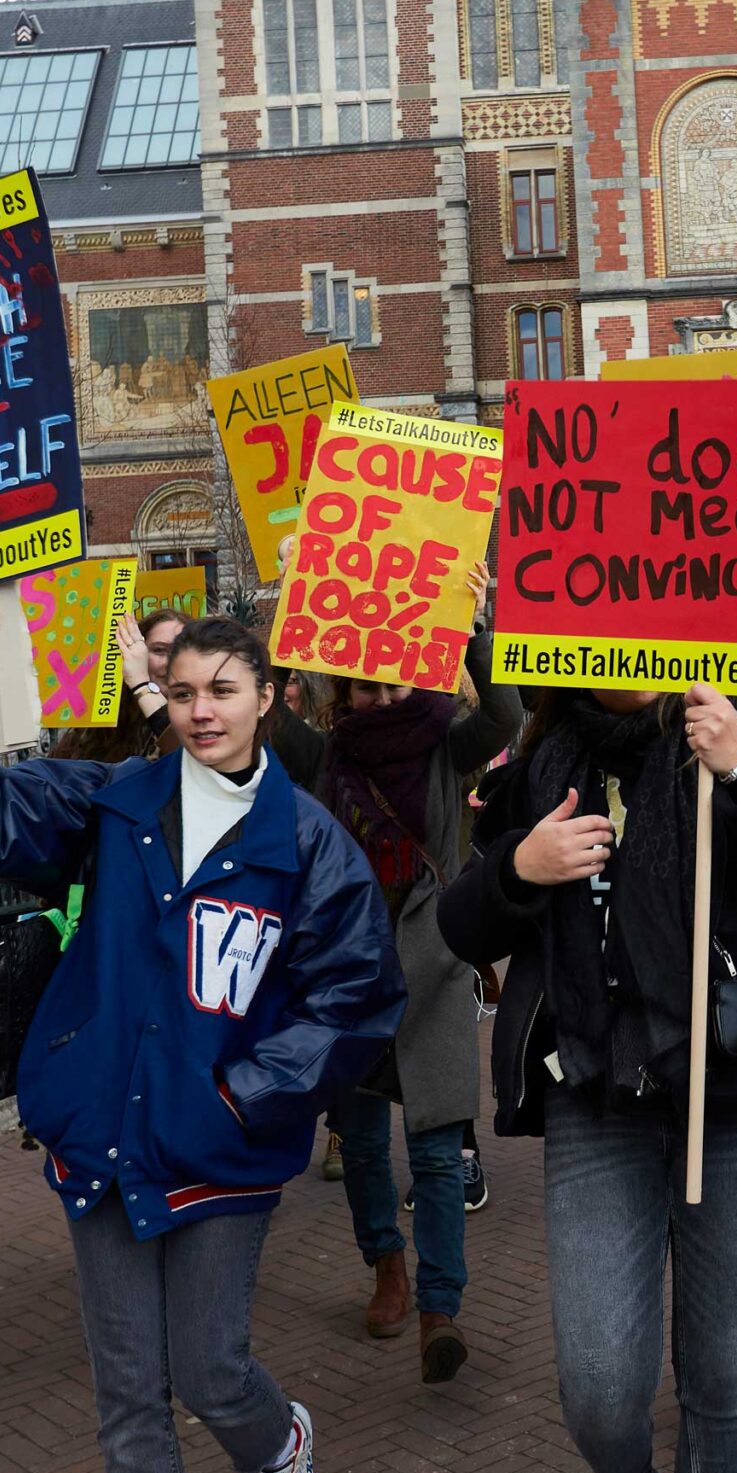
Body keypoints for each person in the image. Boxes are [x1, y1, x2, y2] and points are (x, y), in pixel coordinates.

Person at [0, 607, 406, 1473]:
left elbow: (356, 998)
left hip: (223, 1143)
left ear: (270, 697)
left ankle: (280, 1441)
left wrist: (246, 1091)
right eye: (181, 692)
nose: (201, 710)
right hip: (102, 1132)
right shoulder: (113, 801)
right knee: (130, 1393)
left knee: (209, 1371)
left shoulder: (309, 843)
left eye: (223, 689)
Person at [439, 683, 737, 1473]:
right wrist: (520, 867)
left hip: (732, 1102)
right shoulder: (546, 759)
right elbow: (461, 920)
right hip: (595, 1097)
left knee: (719, 1376)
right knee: (598, 1383)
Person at [271, 571, 521, 1384]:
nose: (376, 697)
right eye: (361, 687)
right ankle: (387, 1266)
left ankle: (441, 1306)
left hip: (435, 964)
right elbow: (266, 724)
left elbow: (507, 715)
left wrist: (477, 624)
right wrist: (292, 616)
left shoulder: (447, 739)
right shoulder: (328, 752)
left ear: (413, 672)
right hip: (347, 973)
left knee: (439, 1146)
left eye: (386, 681)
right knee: (366, 1145)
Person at [50, 607, 191, 764]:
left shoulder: (206, 715)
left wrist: (142, 685)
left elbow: (188, 753)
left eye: (179, 651)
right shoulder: (103, 727)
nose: (169, 662)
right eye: (159, 650)